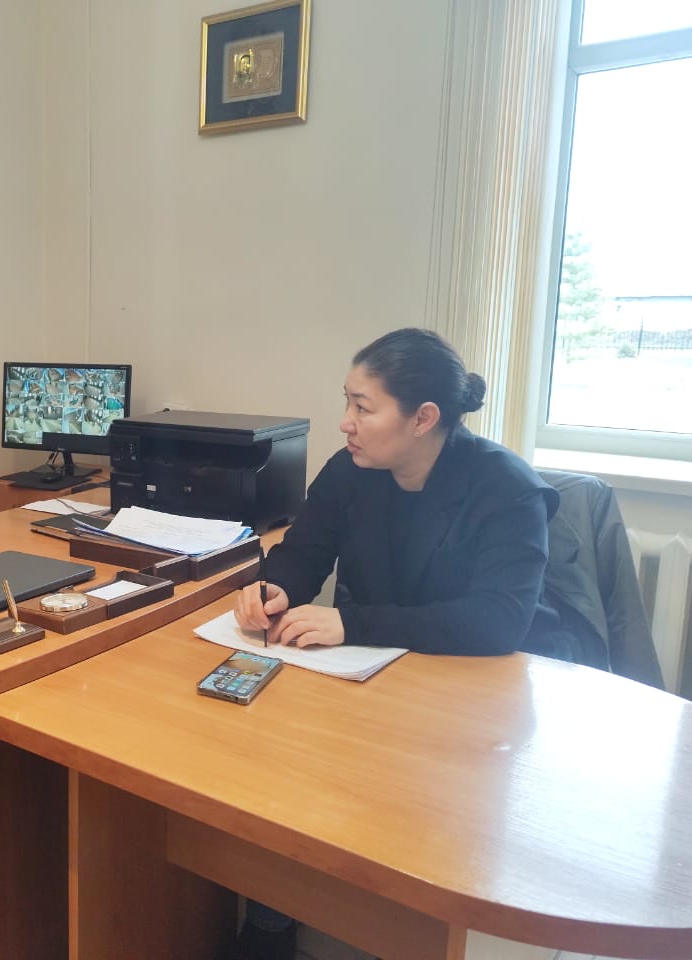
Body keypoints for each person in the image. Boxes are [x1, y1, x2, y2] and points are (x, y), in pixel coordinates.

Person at [229, 327, 579, 960]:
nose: (345, 422)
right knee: (275, 764)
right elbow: (303, 555)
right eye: (347, 401)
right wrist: (272, 590)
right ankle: (271, 919)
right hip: (368, 678)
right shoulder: (351, 470)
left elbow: (498, 621)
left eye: (363, 407)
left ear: (423, 418)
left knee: (424, 823)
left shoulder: (506, 488)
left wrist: (354, 625)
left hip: (469, 701)